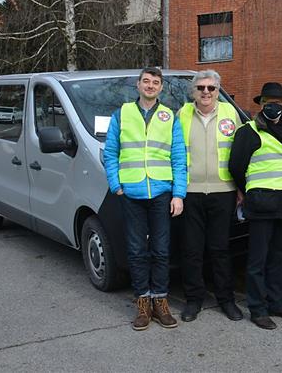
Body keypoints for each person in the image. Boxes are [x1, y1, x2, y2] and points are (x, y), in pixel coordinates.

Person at [103, 66, 187, 331]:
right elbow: (110, 152)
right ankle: (142, 302)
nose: (151, 86)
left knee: (161, 251)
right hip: (131, 193)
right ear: (138, 85)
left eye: (156, 82)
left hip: (161, 193)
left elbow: (178, 157)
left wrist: (179, 194)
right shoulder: (122, 114)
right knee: (137, 251)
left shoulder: (169, 116)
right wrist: (116, 184)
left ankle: (160, 301)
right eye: (146, 81)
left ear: (161, 88)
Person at [228, 82, 282, 330]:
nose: (274, 106)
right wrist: (246, 190)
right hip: (261, 204)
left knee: (278, 258)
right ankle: (258, 309)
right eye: (269, 102)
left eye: (278, 102)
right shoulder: (249, 131)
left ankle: (276, 303)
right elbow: (236, 167)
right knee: (257, 260)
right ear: (260, 104)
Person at [177, 70, 243, 323]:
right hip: (190, 192)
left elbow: (238, 153)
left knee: (220, 249)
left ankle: (226, 300)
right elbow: (174, 153)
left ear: (218, 90)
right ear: (194, 91)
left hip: (223, 191)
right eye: (201, 87)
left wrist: (240, 187)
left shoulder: (230, 113)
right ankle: (194, 299)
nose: (206, 92)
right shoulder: (182, 114)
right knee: (192, 250)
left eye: (211, 88)